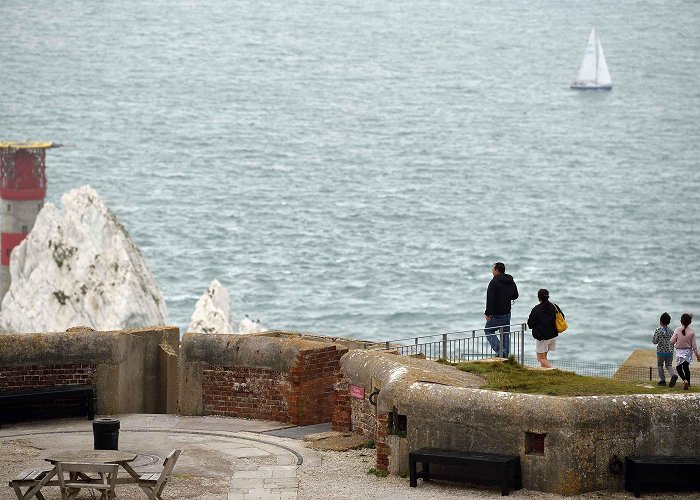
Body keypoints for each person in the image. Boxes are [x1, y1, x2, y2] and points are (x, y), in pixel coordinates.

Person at [484, 262, 519, 357]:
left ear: (497, 270)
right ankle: (505, 354)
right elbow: (515, 295)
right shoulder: (510, 281)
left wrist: (487, 313)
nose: (492, 271)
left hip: (496, 314)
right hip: (507, 313)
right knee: (505, 333)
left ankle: (500, 350)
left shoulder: (494, 282)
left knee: (488, 330)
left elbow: (490, 299)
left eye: (493, 269)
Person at [527, 289, 559, 368]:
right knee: (544, 357)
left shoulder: (536, 309)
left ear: (538, 297)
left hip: (542, 337)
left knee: (540, 358)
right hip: (552, 335)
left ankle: (555, 371)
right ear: (548, 297)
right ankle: (544, 372)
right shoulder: (554, 306)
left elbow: (530, 324)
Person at [670, 313, 700, 390]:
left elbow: (671, 341)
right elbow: (694, 346)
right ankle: (688, 383)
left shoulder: (677, 330)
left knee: (678, 368)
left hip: (679, 352)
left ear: (681, 321)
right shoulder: (691, 332)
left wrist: (674, 344)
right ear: (690, 322)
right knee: (686, 368)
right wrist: (697, 355)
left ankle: (684, 380)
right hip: (688, 353)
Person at [652, 312, 677, 387]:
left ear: (660, 321)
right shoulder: (671, 331)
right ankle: (673, 375)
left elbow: (655, 341)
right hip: (670, 351)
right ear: (669, 322)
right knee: (668, 365)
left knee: (660, 365)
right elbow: (674, 340)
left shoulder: (658, 330)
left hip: (661, 352)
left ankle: (662, 380)